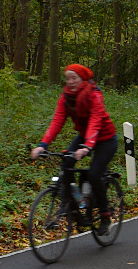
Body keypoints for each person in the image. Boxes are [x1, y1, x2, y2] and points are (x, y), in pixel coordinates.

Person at [30, 64, 118, 235]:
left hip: (105, 139)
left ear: (83, 79)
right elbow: (57, 121)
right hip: (85, 137)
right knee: (67, 162)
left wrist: (87, 146)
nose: (70, 82)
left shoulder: (94, 94)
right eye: (67, 78)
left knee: (94, 175)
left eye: (74, 78)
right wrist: (43, 145)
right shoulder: (66, 98)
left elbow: (96, 120)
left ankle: (105, 216)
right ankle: (69, 204)